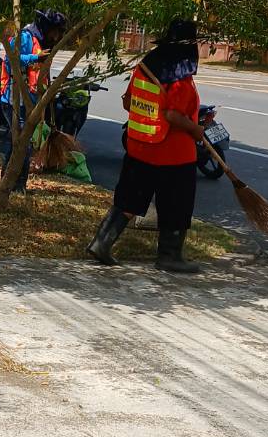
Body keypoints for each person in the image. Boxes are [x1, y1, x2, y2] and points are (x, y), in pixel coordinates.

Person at [87, 18, 205, 273]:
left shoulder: (145, 69)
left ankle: (101, 242)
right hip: (174, 155)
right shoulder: (180, 77)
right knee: (176, 204)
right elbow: (173, 115)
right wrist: (196, 129)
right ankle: (169, 256)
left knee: (129, 198)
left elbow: (128, 103)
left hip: (140, 146)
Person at [0, 9, 67, 192]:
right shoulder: (26, 37)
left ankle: (15, 185)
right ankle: (12, 185)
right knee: (20, 145)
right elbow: (11, 60)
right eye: (55, 31)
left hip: (30, 101)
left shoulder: (41, 41)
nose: (56, 36)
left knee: (22, 145)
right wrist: (36, 57)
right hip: (14, 99)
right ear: (46, 27)